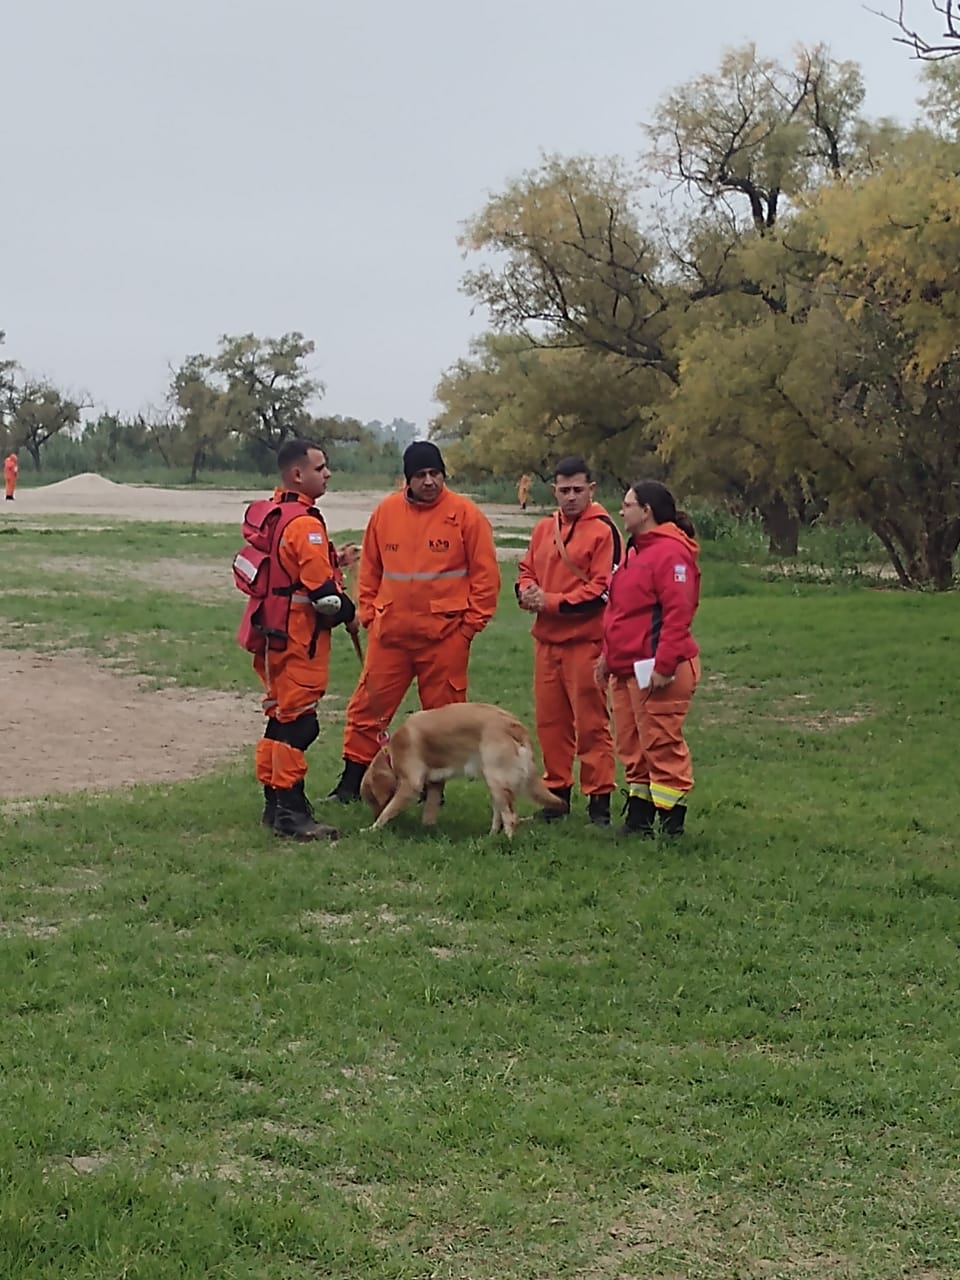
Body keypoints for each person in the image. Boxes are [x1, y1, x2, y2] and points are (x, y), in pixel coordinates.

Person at [328, 440, 501, 802]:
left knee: (441, 720)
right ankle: (351, 783)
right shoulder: (386, 513)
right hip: (390, 635)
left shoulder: (466, 516)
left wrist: (470, 628)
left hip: (445, 637)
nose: (428, 481)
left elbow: (485, 578)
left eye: (434, 474)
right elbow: (371, 568)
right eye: (420, 475)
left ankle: (431, 791)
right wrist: (368, 614)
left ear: (443, 475)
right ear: (406, 479)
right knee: (366, 708)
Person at [247, 439, 359, 841]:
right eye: (321, 467)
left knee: (279, 720)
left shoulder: (277, 513)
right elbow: (324, 597)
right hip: (298, 640)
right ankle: (291, 813)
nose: (328, 473)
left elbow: (286, 566)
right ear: (298, 474)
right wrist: (352, 612)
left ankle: (274, 804)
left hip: (271, 634)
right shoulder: (305, 523)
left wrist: (336, 559)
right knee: (299, 726)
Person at [516, 456, 621, 826]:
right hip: (546, 642)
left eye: (579, 490)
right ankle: (555, 798)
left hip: (585, 643)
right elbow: (526, 568)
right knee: (550, 724)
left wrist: (552, 602)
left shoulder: (604, 531)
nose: (571, 497)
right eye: (564, 490)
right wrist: (526, 590)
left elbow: (602, 590)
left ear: (592, 490)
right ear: (554, 491)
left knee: (592, 724)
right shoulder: (545, 528)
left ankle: (599, 803)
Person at [596, 481, 701, 838]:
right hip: (627, 670)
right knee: (632, 745)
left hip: (655, 671)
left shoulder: (670, 554)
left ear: (647, 511)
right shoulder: (635, 551)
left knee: (661, 743)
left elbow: (677, 614)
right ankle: (639, 818)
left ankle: (672, 824)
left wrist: (664, 666)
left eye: (627, 505)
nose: (621, 511)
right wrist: (608, 657)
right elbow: (622, 613)